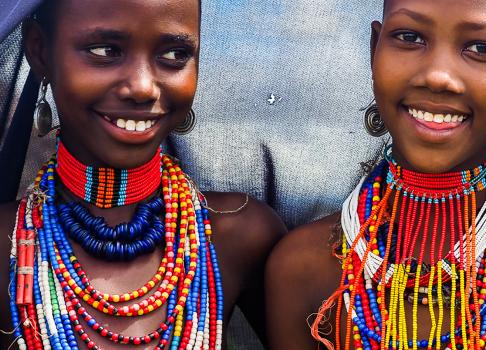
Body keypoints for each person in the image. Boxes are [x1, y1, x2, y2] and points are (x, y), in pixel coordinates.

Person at [266, 0, 486, 349]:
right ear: (375, 50)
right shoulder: (301, 266)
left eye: (481, 48)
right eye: (409, 37)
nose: (438, 76)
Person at [0, 1, 286, 349]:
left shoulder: (239, 235)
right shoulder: (8, 245)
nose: (143, 87)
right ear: (40, 51)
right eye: (105, 50)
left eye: (175, 54)